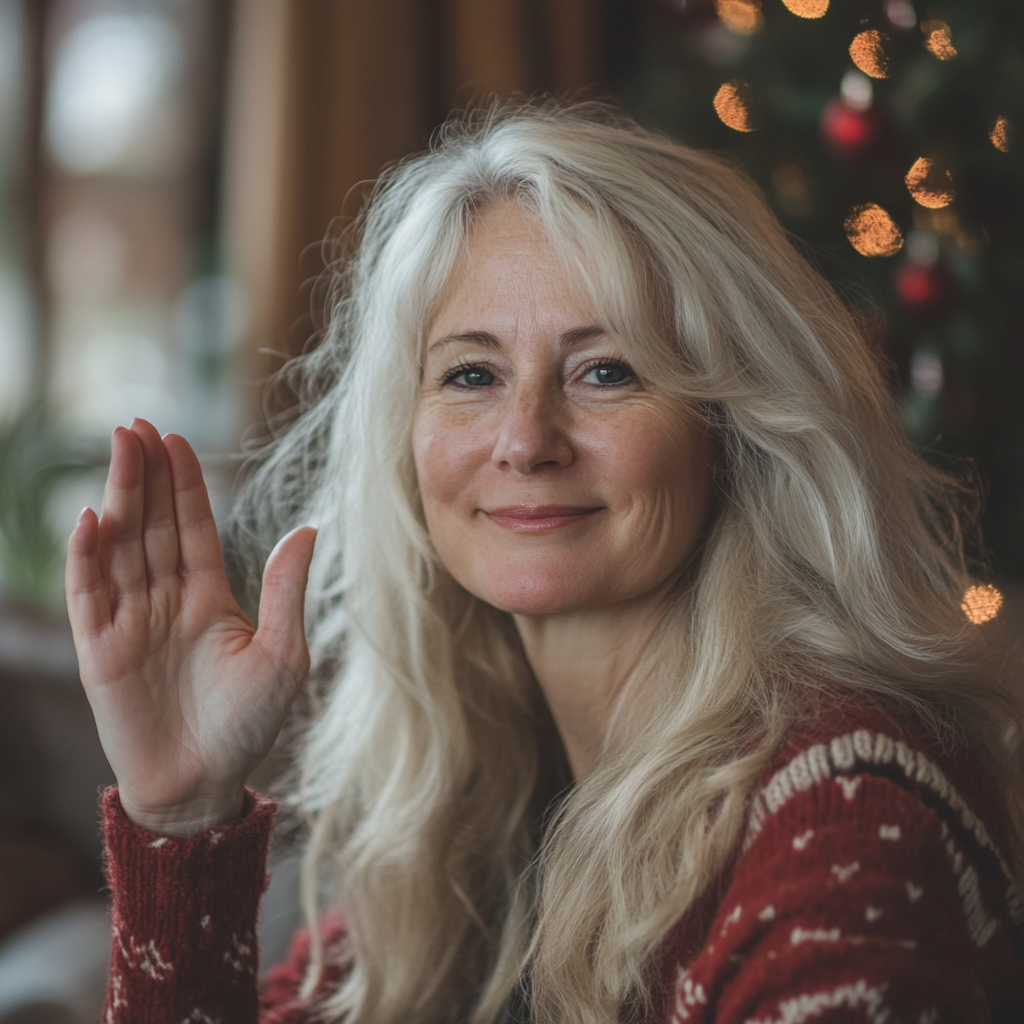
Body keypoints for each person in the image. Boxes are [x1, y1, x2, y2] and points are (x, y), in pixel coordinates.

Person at [66, 102, 1024, 1024]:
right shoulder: (483, 807)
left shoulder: (843, 812)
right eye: (471, 374)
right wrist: (183, 816)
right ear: (405, 438)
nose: (526, 441)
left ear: (734, 428)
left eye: (606, 370)